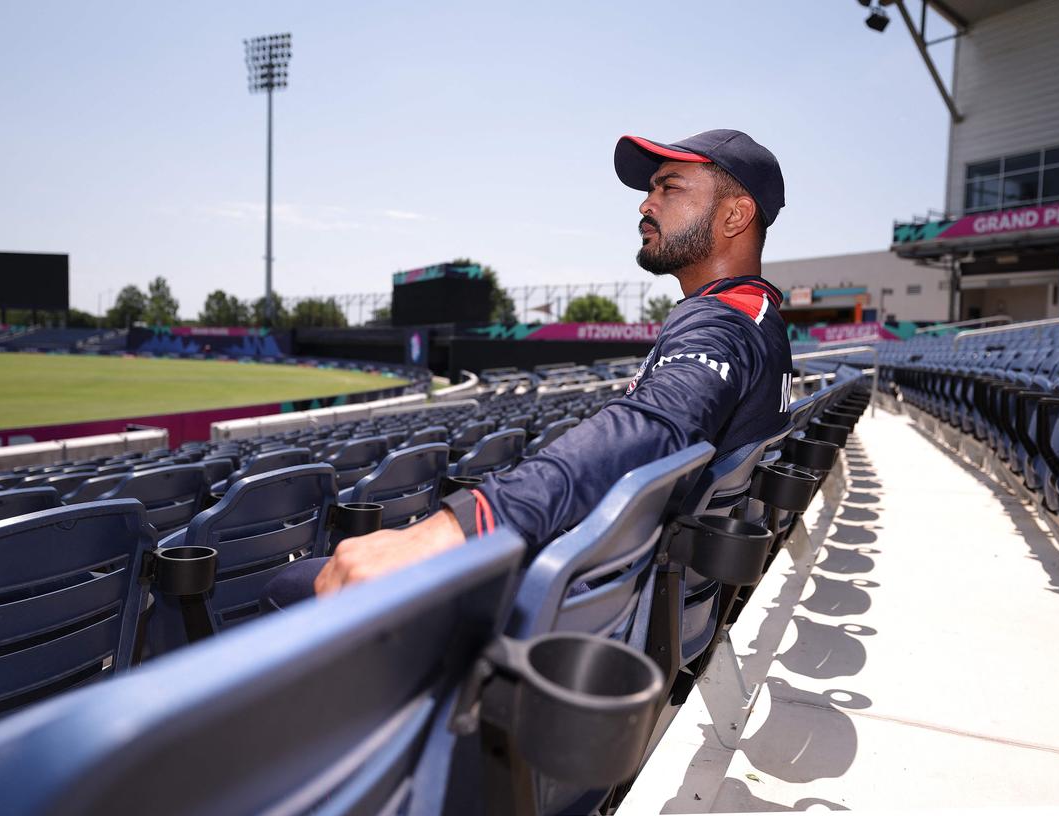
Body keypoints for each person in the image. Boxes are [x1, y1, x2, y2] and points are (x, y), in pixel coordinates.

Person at [262, 128, 793, 604]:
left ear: (734, 216)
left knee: (290, 586)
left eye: (669, 187)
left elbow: (654, 425)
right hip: (651, 588)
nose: (645, 205)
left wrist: (463, 526)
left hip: (601, 603)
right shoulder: (753, 313)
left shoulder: (724, 322)